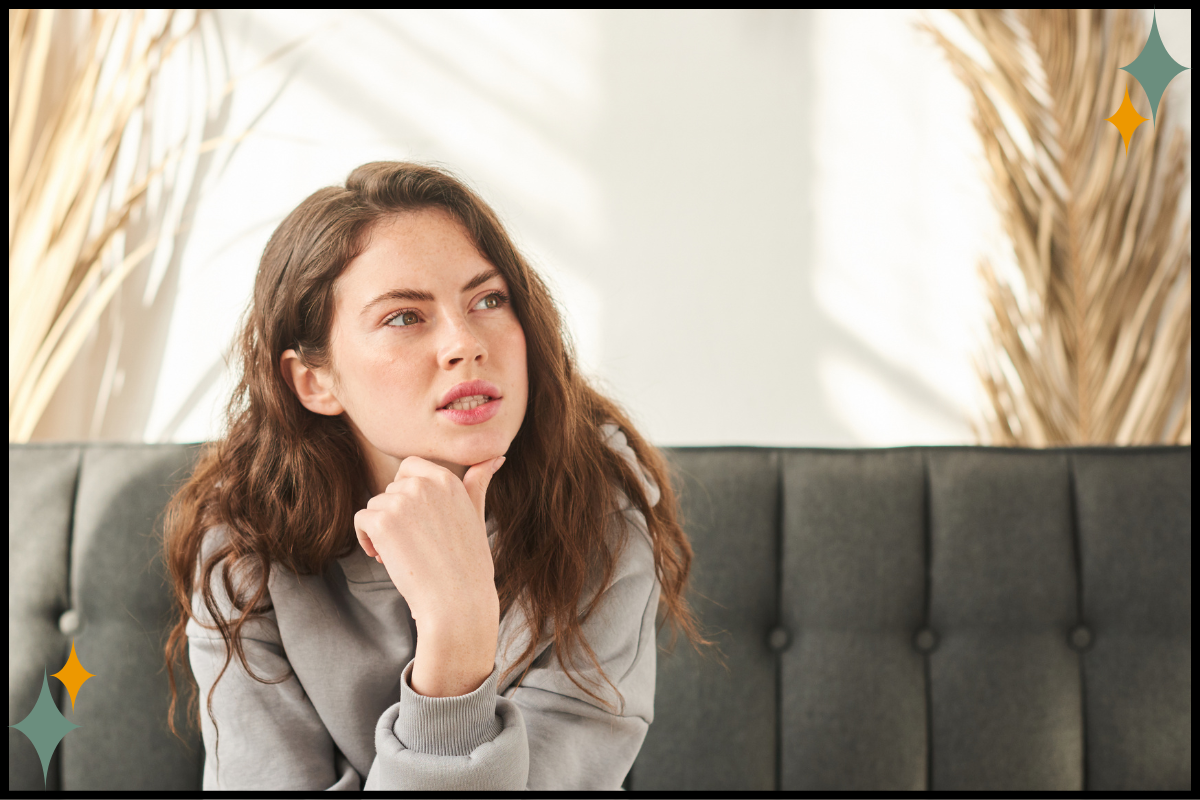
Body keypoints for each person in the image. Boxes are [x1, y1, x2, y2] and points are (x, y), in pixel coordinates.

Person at [159, 161, 713, 790]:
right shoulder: (243, 546)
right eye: (404, 317)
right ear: (314, 382)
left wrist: (457, 630)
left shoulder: (599, 516)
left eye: (489, 300)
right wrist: (456, 635)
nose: (465, 343)